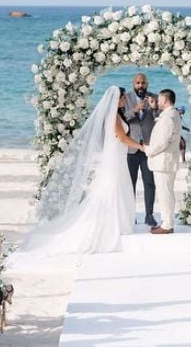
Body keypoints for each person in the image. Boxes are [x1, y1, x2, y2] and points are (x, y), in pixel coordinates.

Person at [17, 86, 143, 256]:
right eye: (122, 98)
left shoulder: (118, 115)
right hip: (115, 159)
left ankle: (119, 223)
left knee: (117, 189)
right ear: (116, 99)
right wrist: (141, 146)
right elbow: (122, 138)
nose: (125, 100)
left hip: (118, 158)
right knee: (112, 189)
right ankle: (112, 225)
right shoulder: (113, 117)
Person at [144, 89, 183, 235]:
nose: (157, 101)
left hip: (163, 161)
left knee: (165, 193)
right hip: (166, 161)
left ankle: (167, 225)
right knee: (166, 192)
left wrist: (148, 150)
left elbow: (161, 142)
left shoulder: (168, 117)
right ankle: (166, 222)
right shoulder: (172, 114)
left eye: (159, 99)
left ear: (165, 100)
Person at [123, 73, 158, 226]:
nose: (140, 86)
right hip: (130, 148)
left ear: (147, 83)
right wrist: (135, 110)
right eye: (137, 83)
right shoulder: (127, 98)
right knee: (129, 183)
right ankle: (131, 215)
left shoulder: (154, 97)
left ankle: (149, 215)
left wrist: (154, 108)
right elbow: (121, 119)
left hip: (148, 149)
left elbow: (161, 119)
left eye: (143, 83)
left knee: (149, 183)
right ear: (133, 84)